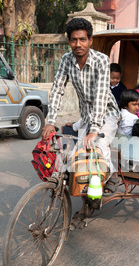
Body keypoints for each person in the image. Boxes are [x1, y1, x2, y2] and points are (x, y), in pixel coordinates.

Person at [42, 17, 120, 227]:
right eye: (74, 40)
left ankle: (106, 179)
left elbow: (102, 96)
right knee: (76, 161)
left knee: (97, 150)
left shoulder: (101, 60)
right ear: (69, 41)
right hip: (86, 116)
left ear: (90, 40)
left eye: (82, 39)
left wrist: (94, 131)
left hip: (107, 115)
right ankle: (86, 196)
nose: (78, 44)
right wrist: (50, 121)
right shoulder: (67, 60)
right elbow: (57, 88)